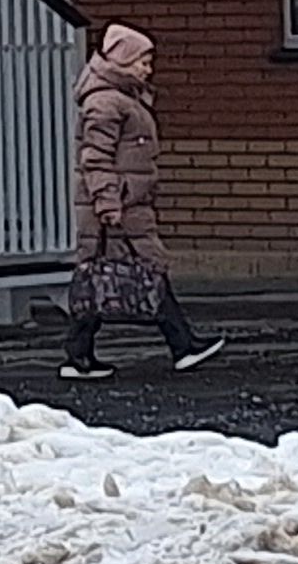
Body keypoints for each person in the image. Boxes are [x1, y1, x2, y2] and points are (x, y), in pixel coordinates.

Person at [62, 22, 219, 382]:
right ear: (122, 60)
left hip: (127, 203)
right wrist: (107, 203)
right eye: (142, 62)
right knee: (134, 270)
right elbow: (95, 158)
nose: (148, 69)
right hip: (119, 206)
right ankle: (181, 345)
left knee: (106, 275)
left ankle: (81, 355)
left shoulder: (121, 99)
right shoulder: (105, 103)